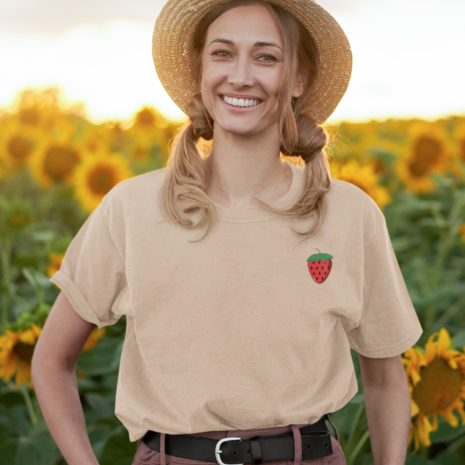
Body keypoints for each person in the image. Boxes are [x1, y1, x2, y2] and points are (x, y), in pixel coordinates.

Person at [31, 1, 423, 465]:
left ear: (298, 79)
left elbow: (385, 379)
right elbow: (52, 362)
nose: (240, 76)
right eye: (222, 53)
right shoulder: (130, 208)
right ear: (200, 69)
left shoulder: (351, 214)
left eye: (266, 57)